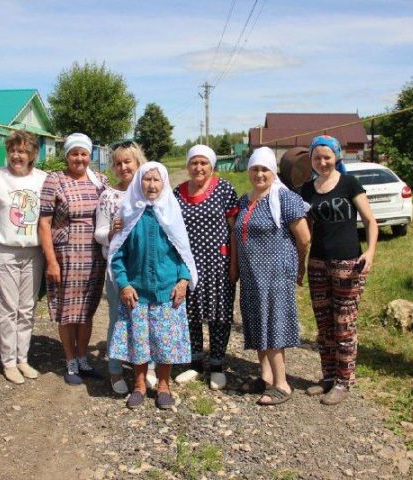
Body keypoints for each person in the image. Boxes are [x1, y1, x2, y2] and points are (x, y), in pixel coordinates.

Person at [108, 162, 197, 409]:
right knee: (138, 340)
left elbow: (183, 252)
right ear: (139, 183)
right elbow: (117, 255)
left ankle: (163, 385)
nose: (152, 185)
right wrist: (124, 284)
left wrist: (182, 280)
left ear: (164, 183)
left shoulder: (171, 212)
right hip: (137, 292)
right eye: (147, 180)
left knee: (164, 340)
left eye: (157, 180)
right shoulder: (129, 213)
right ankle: (138, 385)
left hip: (167, 290)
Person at [300, 135, 378, 405]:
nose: (322, 162)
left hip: (348, 263)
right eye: (317, 157)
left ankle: (344, 382)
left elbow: (370, 221)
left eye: (327, 157)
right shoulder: (306, 190)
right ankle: (328, 377)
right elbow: (305, 230)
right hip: (318, 263)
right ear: (311, 159)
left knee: (344, 325)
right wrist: (301, 262)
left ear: (336, 157)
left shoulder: (349, 183)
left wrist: (370, 252)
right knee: (324, 325)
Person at [234, 147, 311, 405]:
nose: (259, 174)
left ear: (273, 171)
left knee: (273, 326)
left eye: (264, 169)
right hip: (252, 277)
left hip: (276, 276)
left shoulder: (284, 199)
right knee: (256, 324)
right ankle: (265, 377)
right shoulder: (246, 201)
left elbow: (304, 238)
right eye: (254, 169)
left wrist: (296, 267)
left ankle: (282, 384)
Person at [39, 133, 107, 385]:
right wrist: (51, 261)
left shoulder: (100, 180)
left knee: (87, 310)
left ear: (90, 156)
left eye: (84, 153)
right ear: (67, 155)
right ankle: (69, 361)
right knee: (68, 311)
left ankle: (82, 359)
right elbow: (44, 223)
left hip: (94, 255)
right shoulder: (54, 180)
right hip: (65, 254)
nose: (79, 158)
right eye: (74, 153)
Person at [0, 130, 47, 384]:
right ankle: (8, 362)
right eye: (13, 150)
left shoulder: (43, 179)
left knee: (27, 309)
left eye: (23, 151)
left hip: (33, 252)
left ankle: (23, 359)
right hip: (5, 251)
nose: (17, 155)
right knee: (8, 309)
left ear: (32, 155)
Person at [173, 145, 239, 390]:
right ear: (188, 165)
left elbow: (233, 228)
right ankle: (196, 363)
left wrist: (234, 263)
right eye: (194, 163)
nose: (198, 168)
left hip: (218, 263)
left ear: (212, 165)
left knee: (219, 314)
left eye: (204, 163)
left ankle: (218, 365)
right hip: (188, 265)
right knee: (190, 313)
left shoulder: (224, 188)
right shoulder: (178, 193)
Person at [94, 141, 153, 395]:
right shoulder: (109, 195)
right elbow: (98, 233)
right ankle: (116, 368)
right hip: (118, 269)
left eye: (128, 161)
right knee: (118, 319)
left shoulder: (149, 191)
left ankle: (146, 368)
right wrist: (111, 232)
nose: (123, 167)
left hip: (145, 267)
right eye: (118, 163)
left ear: (138, 162)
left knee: (146, 318)